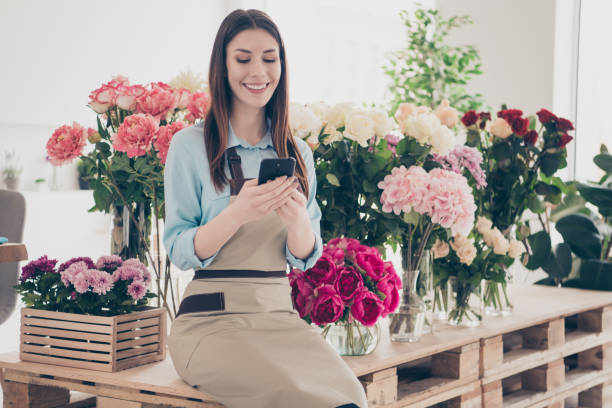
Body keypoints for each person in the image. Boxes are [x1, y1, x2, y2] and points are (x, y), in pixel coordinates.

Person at [163, 9, 368, 408]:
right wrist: (236, 213)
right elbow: (179, 249)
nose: (258, 71)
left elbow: (306, 257)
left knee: (350, 396)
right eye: (243, 58)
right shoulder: (190, 147)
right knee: (297, 396)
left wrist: (295, 222)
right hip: (211, 324)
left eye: (269, 58)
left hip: (280, 320)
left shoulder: (297, 152)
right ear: (221, 67)